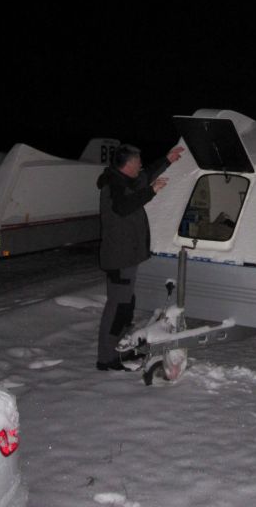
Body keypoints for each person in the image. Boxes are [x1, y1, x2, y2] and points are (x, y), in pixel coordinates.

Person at [96, 141, 184, 371]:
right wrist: (151, 191)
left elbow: (145, 176)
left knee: (125, 305)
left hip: (126, 258)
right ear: (128, 164)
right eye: (138, 162)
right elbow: (123, 207)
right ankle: (107, 358)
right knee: (117, 308)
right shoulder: (113, 185)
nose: (141, 165)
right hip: (119, 258)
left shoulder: (124, 180)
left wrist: (167, 160)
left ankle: (120, 350)